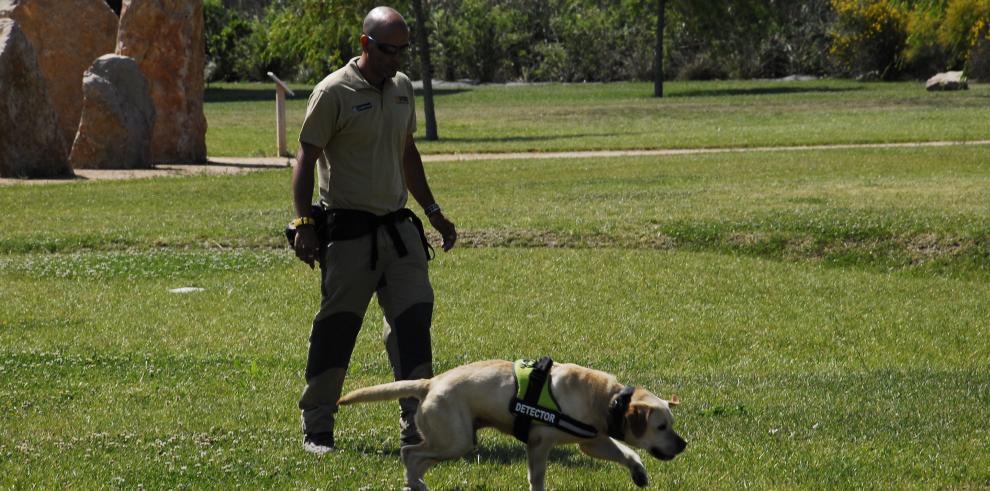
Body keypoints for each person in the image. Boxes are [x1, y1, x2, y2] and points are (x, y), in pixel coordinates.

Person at [290, 6, 457, 455]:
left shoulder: (402, 89)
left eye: (403, 51)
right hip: (348, 234)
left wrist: (434, 211)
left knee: (413, 322)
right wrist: (304, 221)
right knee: (337, 328)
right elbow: (306, 158)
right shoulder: (333, 91)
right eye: (388, 50)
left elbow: (407, 152)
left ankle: (416, 424)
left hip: (399, 233)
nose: (396, 59)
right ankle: (318, 426)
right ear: (366, 45)